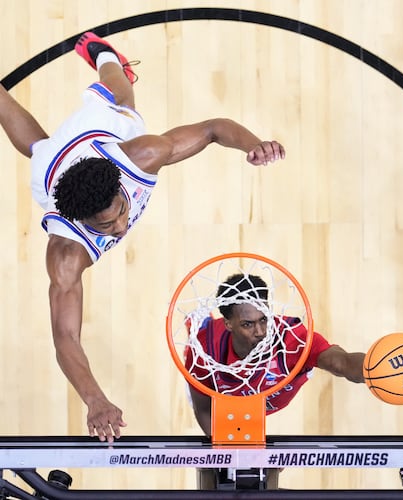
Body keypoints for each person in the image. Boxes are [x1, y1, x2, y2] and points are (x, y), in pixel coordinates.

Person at [0, 32, 285, 443]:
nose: (119, 228)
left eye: (119, 212)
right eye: (105, 226)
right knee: (39, 149)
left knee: (124, 101)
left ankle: (103, 54)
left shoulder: (140, 156)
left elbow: (212, 128)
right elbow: (65, 337)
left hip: (98, 132)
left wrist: (254, 145)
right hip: (55, 168)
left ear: (119, 185)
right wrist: (94, 400)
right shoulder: (66, 251)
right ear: (79, 220)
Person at [184, 272, 366, 489]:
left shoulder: (291, 338)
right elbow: (204, 409)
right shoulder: (204, 352)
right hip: (224, 399)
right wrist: (230, 453)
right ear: (229, 324)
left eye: (263, 319)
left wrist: (376, 370)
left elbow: (341, 363)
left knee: (261, 466)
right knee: (217, 469)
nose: (260, 331)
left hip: (270, 390)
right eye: (248, 324)